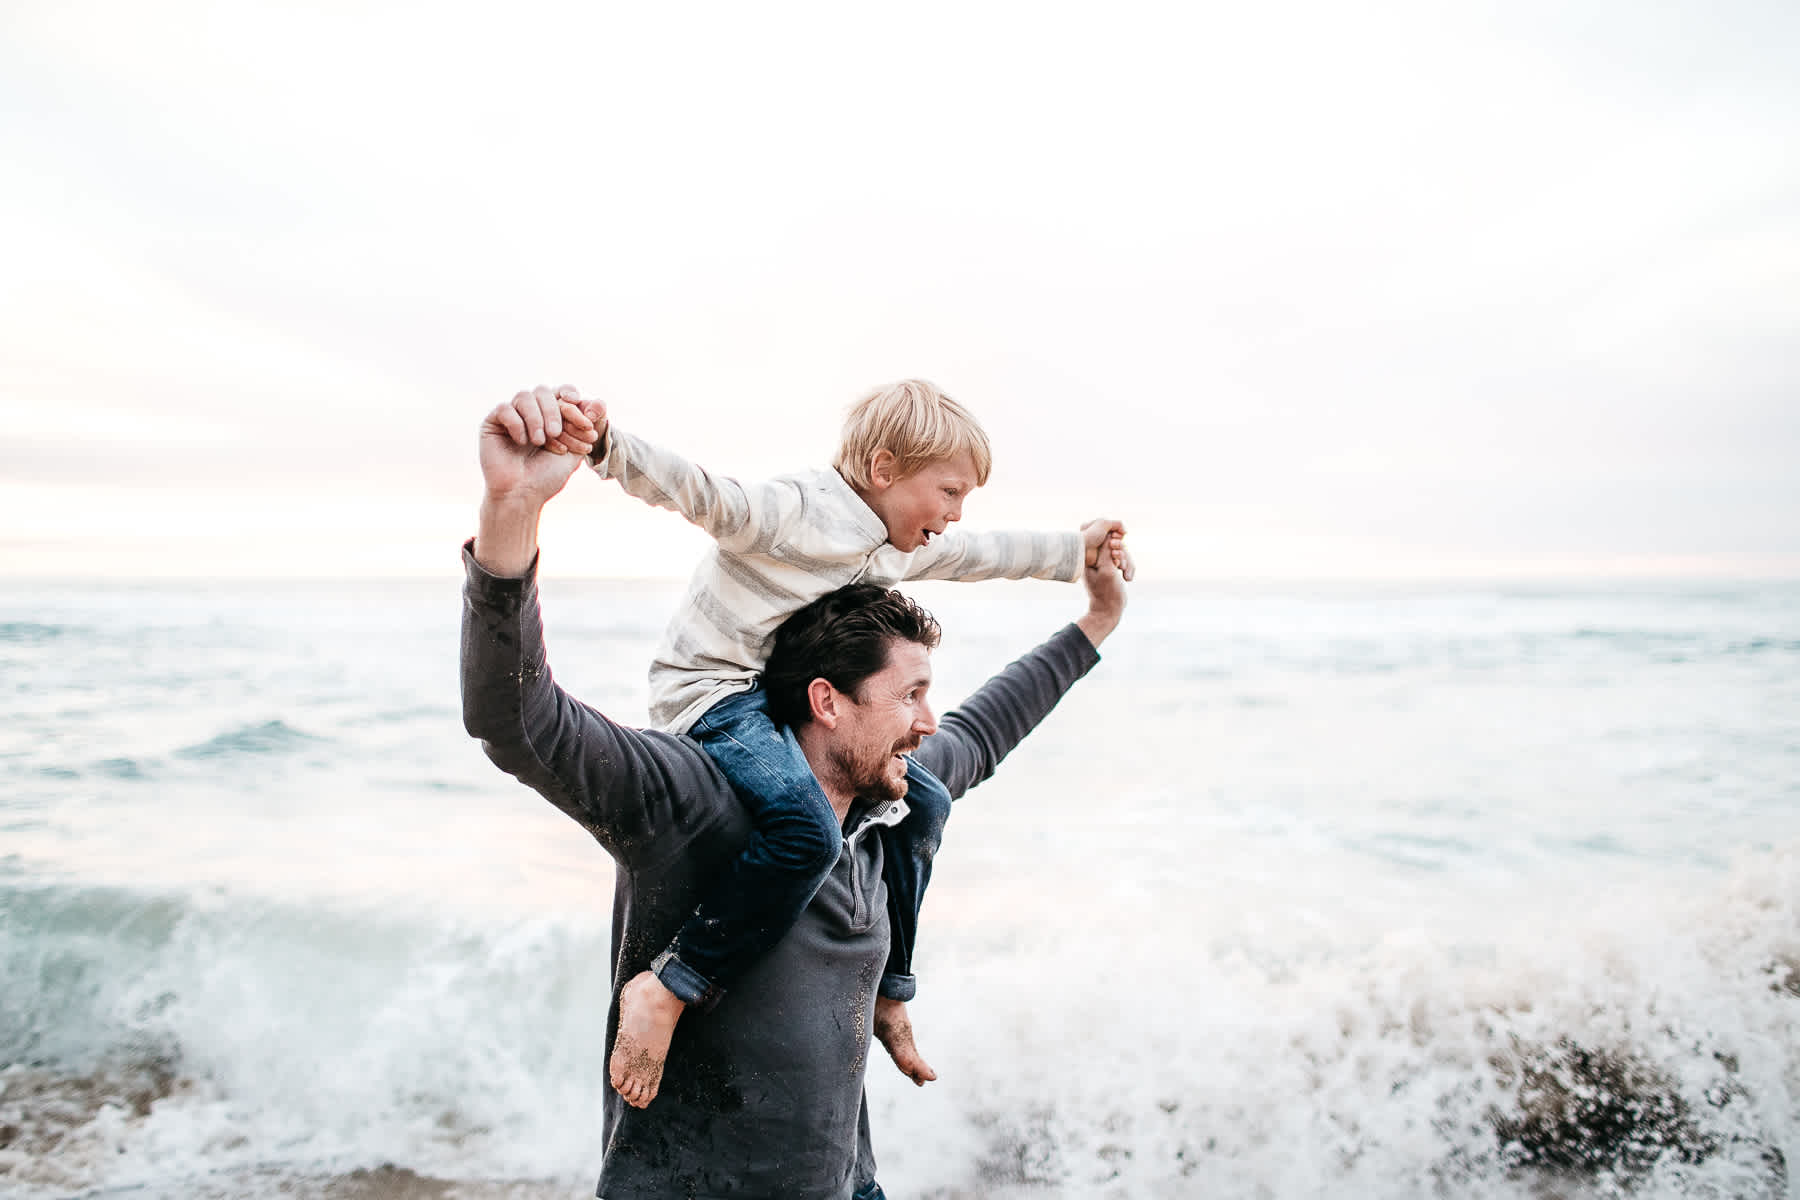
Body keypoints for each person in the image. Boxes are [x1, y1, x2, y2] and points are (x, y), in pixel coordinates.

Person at [464, 389, 1130, 1199]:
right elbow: (517, 720)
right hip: (687, 1189)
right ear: (827, 701)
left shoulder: (886, 805)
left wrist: (1094, 611)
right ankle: (674, 983)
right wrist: (526, 503)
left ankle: (894, 995)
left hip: (845, 1186)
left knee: (930, 801)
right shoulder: (692, 799)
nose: (929, 724)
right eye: (910, 696)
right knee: (806, 831)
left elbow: (988, 720)